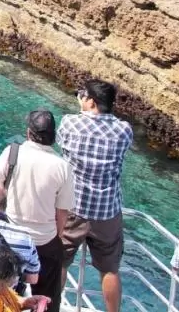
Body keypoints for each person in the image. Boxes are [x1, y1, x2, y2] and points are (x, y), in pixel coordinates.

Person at [58, 79, 133, 312]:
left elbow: (63, 144)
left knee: (60, 261)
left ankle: (52, 308)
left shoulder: (70, 123)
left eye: (83, 96)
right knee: (109, 269)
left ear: (91, 101)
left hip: (74, 207)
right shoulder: (124, 130)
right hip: (107, 211)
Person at [0, 111, 74, 312]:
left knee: (2, 290)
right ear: (53, 136)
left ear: (28, 132)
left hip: (9, 235)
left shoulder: (13, 153)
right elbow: (62, 211)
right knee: (47, 297)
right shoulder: (63, 166)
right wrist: (56, 236)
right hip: (44, 240)